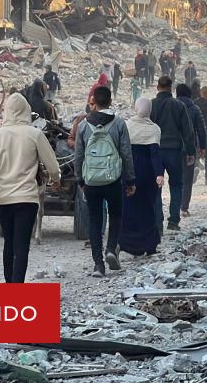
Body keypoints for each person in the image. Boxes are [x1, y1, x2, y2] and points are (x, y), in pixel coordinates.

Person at [0, 93, 60, 282]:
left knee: (9, 243)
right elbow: (53, 166)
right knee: (22, 246)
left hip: (4, 199)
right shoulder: (35, 134)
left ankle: (10, 287)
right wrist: (56, 179)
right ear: (26, 111)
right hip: (27, 199)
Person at [74, 86, 136, 276]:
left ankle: (98, 264)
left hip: (91, 181)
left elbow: (78, 155)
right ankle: (111, 249)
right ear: (110, 101)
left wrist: (80, 179)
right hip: (113, 179)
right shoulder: (118, 124)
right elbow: (126, 153)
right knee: (116, 215)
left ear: (94, 101)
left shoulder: (84, 125)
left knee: (94, 220)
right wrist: (130, 179)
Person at [150, 76, 195, 231]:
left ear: (157, 87)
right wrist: (190, 152)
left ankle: (156, 222)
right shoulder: (179, 105)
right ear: (171, 88)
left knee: (156, 186)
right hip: (174, 151)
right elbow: (187, 131)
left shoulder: (151, 105)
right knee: (176, 184)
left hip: (155, 151)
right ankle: (174, 221)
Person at [121, 97, 164, 256]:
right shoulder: (154, 129)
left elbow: (123, 151)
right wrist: (159, 174)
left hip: (129, 171)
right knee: (148, 207)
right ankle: (149, 245)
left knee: (129, 207)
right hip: (147, 173)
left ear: (135, 108)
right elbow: (155, 154)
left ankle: (128, 244)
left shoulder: (126, 126)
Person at [175, 84, 206, 216]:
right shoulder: (195, 108)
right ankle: (184, 207)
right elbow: (201, 129)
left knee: (175, 179)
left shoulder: (171, 107)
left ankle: (174, 206)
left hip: (173, 147)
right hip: (190, 147)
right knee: (187, 179)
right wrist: (203, 146)